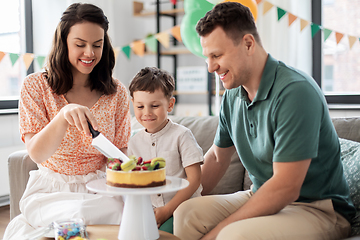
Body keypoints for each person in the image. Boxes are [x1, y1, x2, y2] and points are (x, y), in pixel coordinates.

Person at [173, 2, 356, 240]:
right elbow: (218, 158)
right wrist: (170, 202)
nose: (210, 67)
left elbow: (285, 187)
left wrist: (216, 233)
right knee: (186, 214)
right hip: (258, 194)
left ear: (248, 43)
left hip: (316, 208)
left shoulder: (294, 92)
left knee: (232, 236)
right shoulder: (232, 94)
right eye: (207, 57)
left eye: (216, 55)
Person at [3, 3, 131, 239]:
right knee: (79, 213)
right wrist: (63, 117)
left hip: (100, 189)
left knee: (122, 216)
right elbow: (37, 154)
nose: (90, 53)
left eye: (97, 45)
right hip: (51, 191)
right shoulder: (36, 86)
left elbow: (120, 152)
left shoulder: (117, 93)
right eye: (80, 44)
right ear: (63, 43)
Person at [128, 67, 203, 234]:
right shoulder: (133, 142)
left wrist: (167, 210)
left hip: (183, 207)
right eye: (140, 107)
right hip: (151, 210)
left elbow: (195, 179)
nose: (147, 113)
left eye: (154, 105)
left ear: (170, 105)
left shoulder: (182, 135)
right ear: (133, 104)